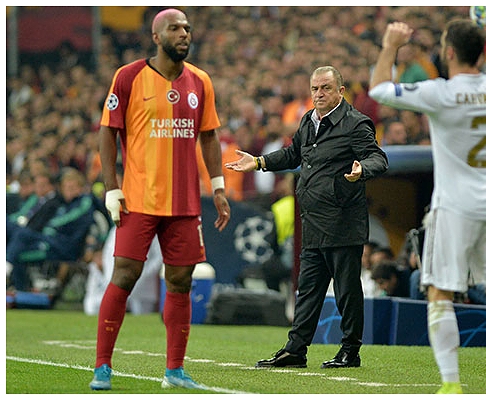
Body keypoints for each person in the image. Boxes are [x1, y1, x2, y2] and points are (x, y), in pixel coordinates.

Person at [369, 19, 486, 394]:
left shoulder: (440, 93)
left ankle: (451, 384)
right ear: (481, 52)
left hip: (453, 208)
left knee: (440, 295)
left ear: (449, 52)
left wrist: (389, 46)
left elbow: (380, 88)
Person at [89, 8, 231, 391]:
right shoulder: (129, 76)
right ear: (156, 36)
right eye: (175, 28)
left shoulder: (200, 81)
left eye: (187, 28)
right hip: (138, 198)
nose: (184, 33)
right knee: (124, 275)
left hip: (184, 202)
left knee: (181, 280)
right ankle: (102, 366)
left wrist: (217, 186)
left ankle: (174, 371)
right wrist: (111, 187)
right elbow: (107, 132)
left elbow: (209, 136)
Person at [225, 65, 388, 369]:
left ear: (341, 91)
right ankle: (296, 349)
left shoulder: (355, 123)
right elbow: (292, 155)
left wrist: (362, 170)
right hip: (313, 220)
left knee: (346, 290)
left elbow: (378, 157)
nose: (319, 94)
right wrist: (259, 161)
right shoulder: (308, 122)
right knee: (308, 290)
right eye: (314, 89)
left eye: (325, 88)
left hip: (343, 220)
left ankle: (350, 350)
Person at [6, 167, 97, 292]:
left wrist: (49, 228)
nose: (68, 191)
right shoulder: (65, 204)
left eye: (72, 188)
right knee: (19, 250)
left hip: (66, 246)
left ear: (80, 188)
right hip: (54, 241)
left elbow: (66, 219)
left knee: (22, 234)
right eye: (66, 188)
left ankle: (7, 269)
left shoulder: (84, 201)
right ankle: (20, 290)